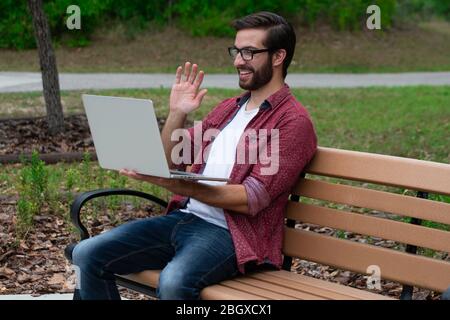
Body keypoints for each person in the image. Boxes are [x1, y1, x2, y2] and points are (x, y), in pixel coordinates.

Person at [72, 11, 317, 300]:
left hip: (232, 235)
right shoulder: (229, 108)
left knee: (174, 283)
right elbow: (169, 159)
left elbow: (251, 199)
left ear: (278, 57)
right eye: (236, 51)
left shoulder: (292, 122)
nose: (238, 61)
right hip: (184, 219)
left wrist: (180, 185)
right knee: (87, 253)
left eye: (249, 52)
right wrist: (177, 113)